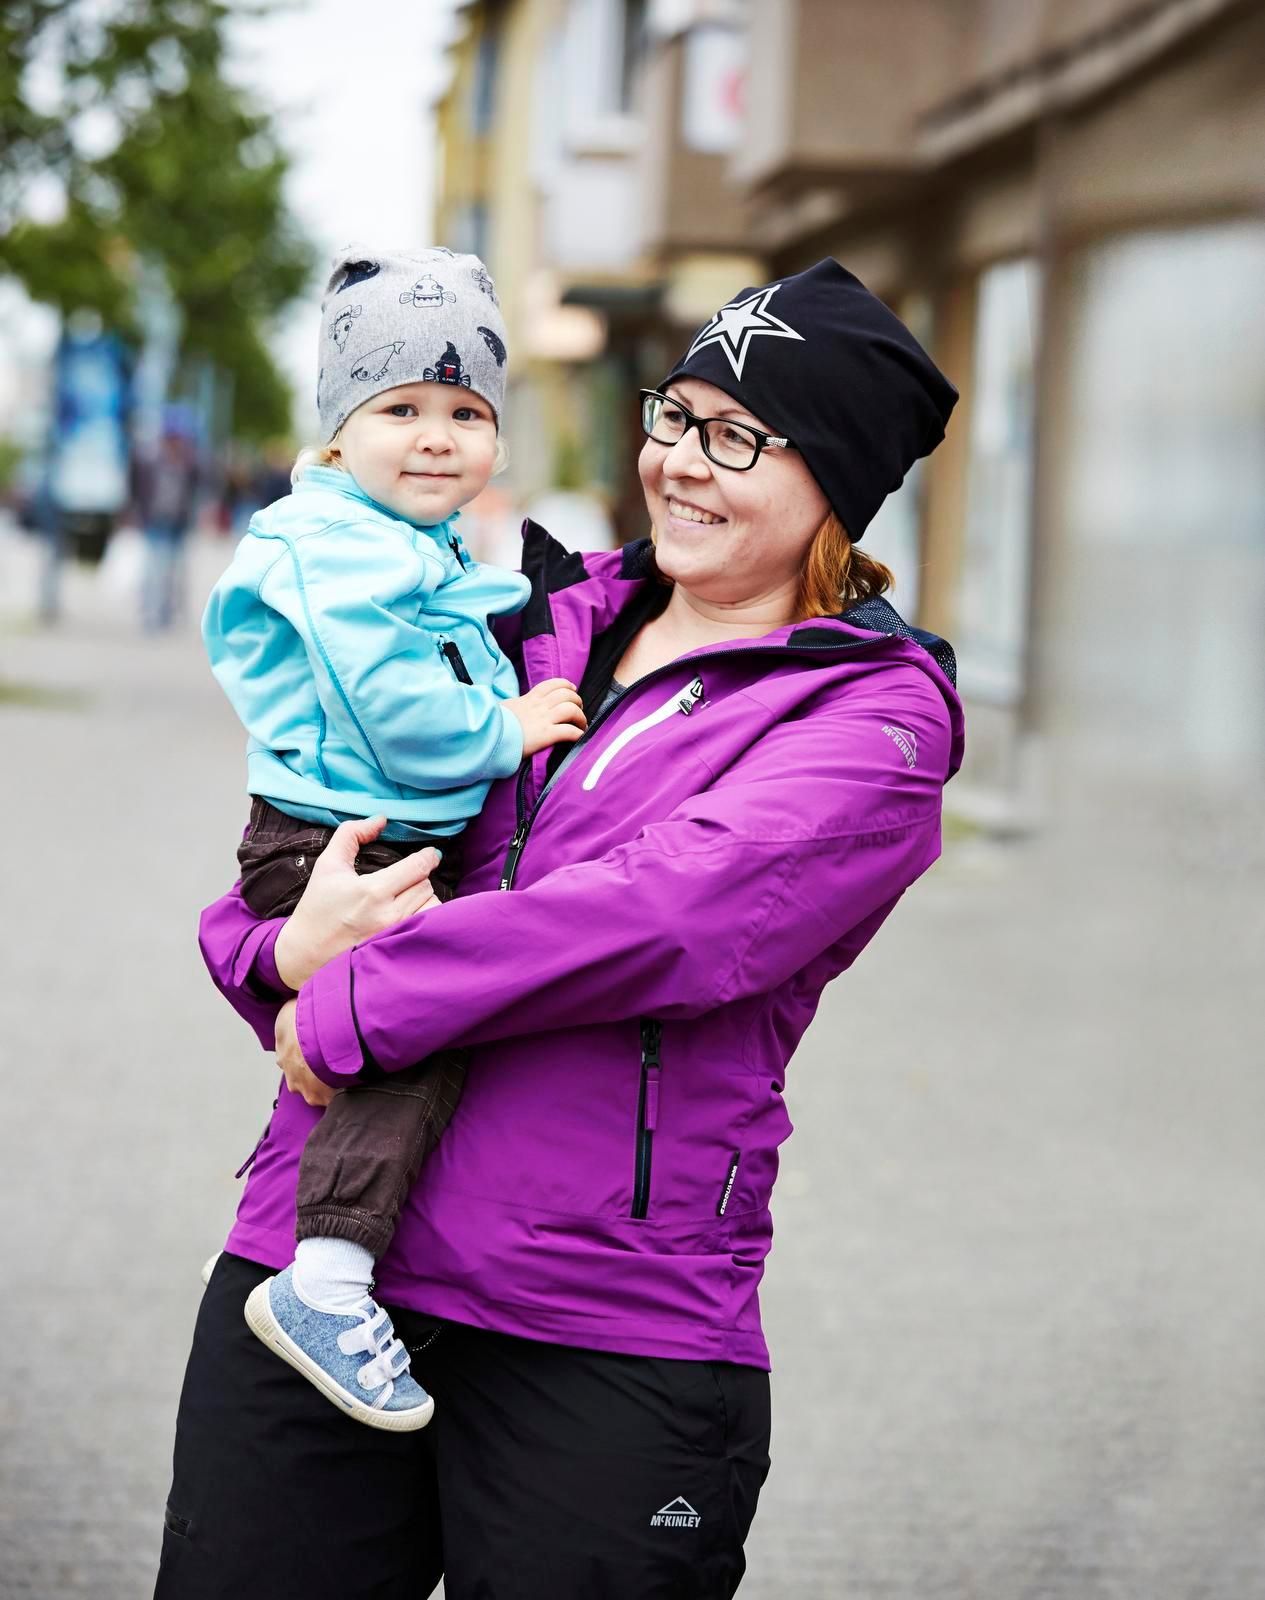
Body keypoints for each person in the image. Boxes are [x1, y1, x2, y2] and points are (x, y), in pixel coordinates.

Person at [158, 258, 965, 1599]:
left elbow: (663, 917)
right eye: (672, 416)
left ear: (838, 480)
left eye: (738, 437)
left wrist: (350, 1003)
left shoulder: (870, 719)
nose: (681, 465)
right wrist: (276, 956)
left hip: (602, 1323)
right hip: (312, 1263)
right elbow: (322, 825)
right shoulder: (526, 616)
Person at [201, 244, 587, 1429]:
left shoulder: (395, 538)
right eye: (399, 408)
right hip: (336, 839)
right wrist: (504, 727)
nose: (435, 436)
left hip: (354, 834)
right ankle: (326, 1278)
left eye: (464, 410)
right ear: (334, 430)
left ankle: (332, 1256)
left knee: (395, 1034)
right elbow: (397, 706)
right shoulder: (339, 543)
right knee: (410, 1039)